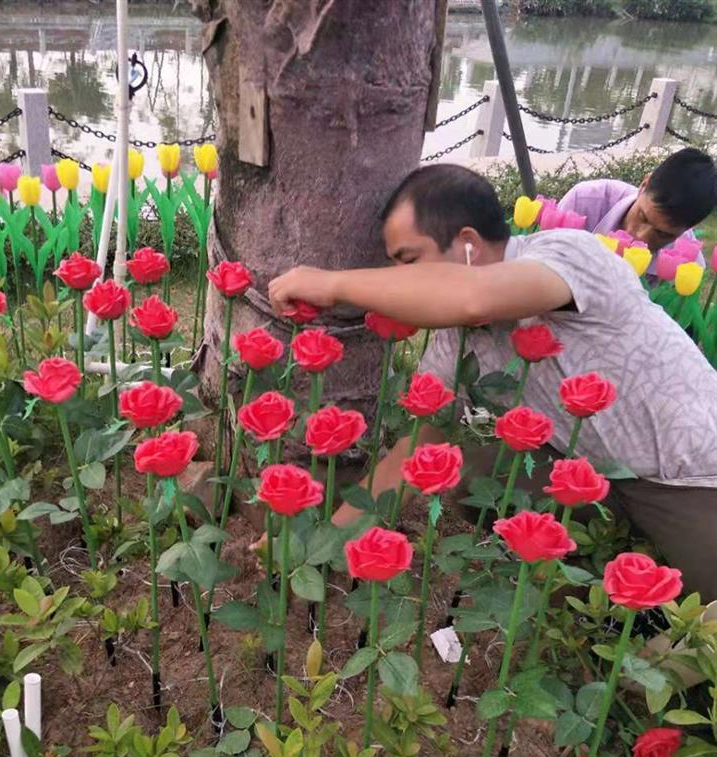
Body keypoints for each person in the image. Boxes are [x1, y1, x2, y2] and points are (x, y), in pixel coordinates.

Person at [267, 163, 717, 600]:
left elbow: (473, 298)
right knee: (471, 459)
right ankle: (589, 602)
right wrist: (314, 550)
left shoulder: (567, 253)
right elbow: (413, 452)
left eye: (409, 262)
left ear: (467, 244)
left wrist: (330, 284)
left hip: (693, 473)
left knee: (698, 646)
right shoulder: (454, 343)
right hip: (601, 478)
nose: (401, 282)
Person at [557, 147, 716, 258]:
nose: (640, 237)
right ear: (643, 185)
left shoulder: (686, 259)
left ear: (691, 227)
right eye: (643, 217)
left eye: (662, 234)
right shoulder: (583, 202)